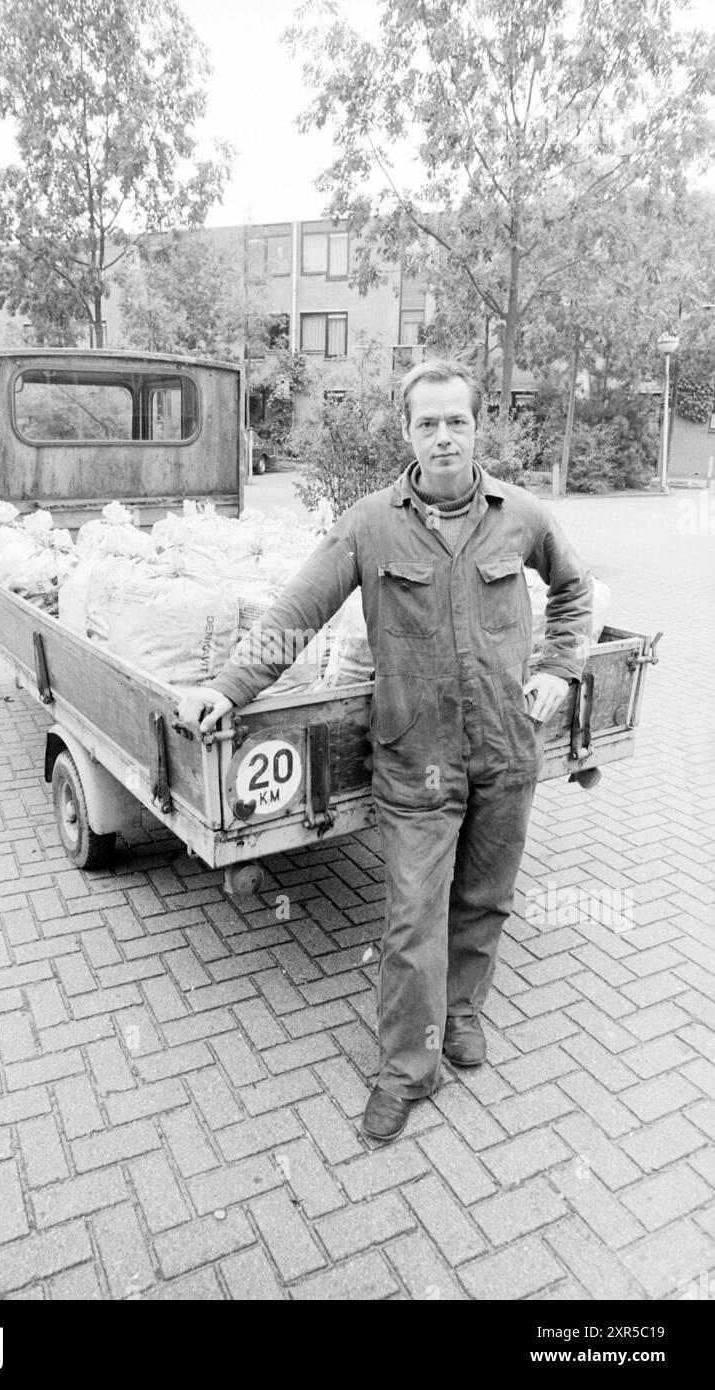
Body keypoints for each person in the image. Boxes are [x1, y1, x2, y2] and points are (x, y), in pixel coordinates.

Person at [176, 358, 593, 1142]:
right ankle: (407, 1068)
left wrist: (558, 668)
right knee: (410, 920)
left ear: (477, 428)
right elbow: (298, 609)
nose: (443, 436)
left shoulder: (523, 516)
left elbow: (573, 589)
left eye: (456, 421)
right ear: (405, 432)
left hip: (505, 752)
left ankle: (460, 1017)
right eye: (427, 422)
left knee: (484, 900)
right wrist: (228, 688)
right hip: (414, 759)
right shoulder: (370, 523)